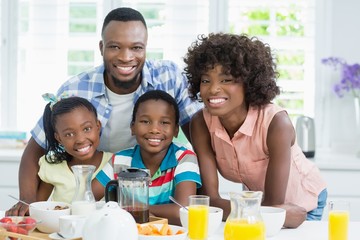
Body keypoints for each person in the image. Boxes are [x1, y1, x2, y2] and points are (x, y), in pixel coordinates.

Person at [7, 7, 202, 216]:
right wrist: (27, 198)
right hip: (105, 177)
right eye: (115, 47)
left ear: (145, 47)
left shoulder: (168, 77)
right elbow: (35, 148)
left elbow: (199, 134)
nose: (126, 57)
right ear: (101, 47)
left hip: (157, 185)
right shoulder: (75, 89)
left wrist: (205, 198)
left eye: (136, 47)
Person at [183, 33, 327, 228]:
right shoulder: (201, 122)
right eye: (206, 80)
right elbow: (210, 201)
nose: (213, 89)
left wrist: (242, 211)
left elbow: (273, 208)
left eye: (226, 80)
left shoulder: (276, 123)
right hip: (265, 211)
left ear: (249, 83)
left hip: (303, 207)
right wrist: (253, 211)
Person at [97, 90, 201, 225]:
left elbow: (181, 212)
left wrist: (132, 210)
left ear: (176, 130)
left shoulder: (184, 158)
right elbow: (87, 197)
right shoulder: (120, 160)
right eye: (145, 121)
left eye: (164, 122)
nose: (154, 129)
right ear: (132, 127)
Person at [37, 94, 114, 203]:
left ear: (98, 126)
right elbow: (36, 207)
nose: (80, 140)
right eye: (69, 134)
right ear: (59, 138)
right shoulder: (53, 167)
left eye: (87, 129)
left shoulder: (113, 163)